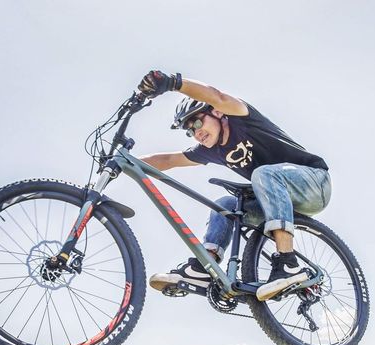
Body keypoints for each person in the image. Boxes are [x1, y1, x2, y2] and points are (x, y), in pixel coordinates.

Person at [135, 70, 331, 301]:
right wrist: (123, 163)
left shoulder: (241, 118)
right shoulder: (212, 149)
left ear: (216, 113)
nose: (196, 132)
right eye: (190, 130)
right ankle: (205, 268)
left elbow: (217, 96)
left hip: (314, 183)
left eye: (198, 121)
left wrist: (172, 83)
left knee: (263, 174)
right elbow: (168, 160)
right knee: (224, 205)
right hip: (277, 200)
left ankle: (289, 264)